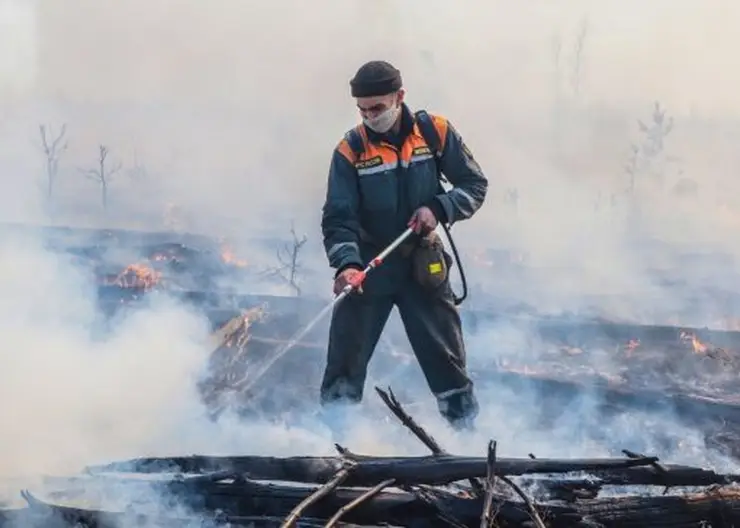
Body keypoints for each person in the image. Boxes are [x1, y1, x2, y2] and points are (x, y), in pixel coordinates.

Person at [319, 60, 489, 430]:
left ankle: (467, 443)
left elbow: (474, 187)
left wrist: (439, 208)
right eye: (362, 109)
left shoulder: (435, 133)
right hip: (369, 268)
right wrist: (347, 265)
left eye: (377, 107)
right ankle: (333, 444)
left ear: (400, 97)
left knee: (446, 360)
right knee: (345, 362)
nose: (370, 116)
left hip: (423, 265)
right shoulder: (350, 150)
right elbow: (338, 219)